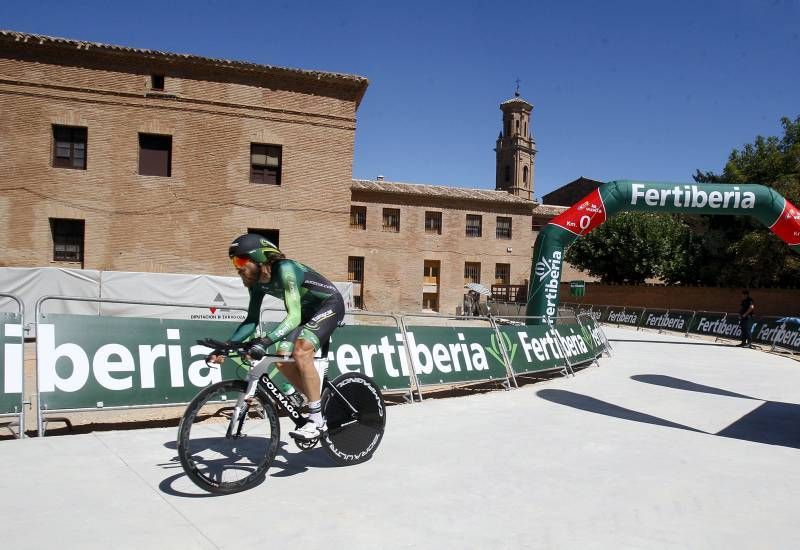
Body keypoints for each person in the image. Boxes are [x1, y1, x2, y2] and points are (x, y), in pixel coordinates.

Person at [209, 233, 345, 440]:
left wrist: (265, 341)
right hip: (306, 314)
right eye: (234, 261)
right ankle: (317, 401)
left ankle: (317, 419)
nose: (237, 267)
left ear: (260, 258)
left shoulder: (285, 269)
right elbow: (251, 321)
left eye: (241, 260)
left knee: (301, 351)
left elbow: (294, 316)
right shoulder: (256, 284)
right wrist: (226, 347)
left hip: (329, 305)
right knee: (282, 359)